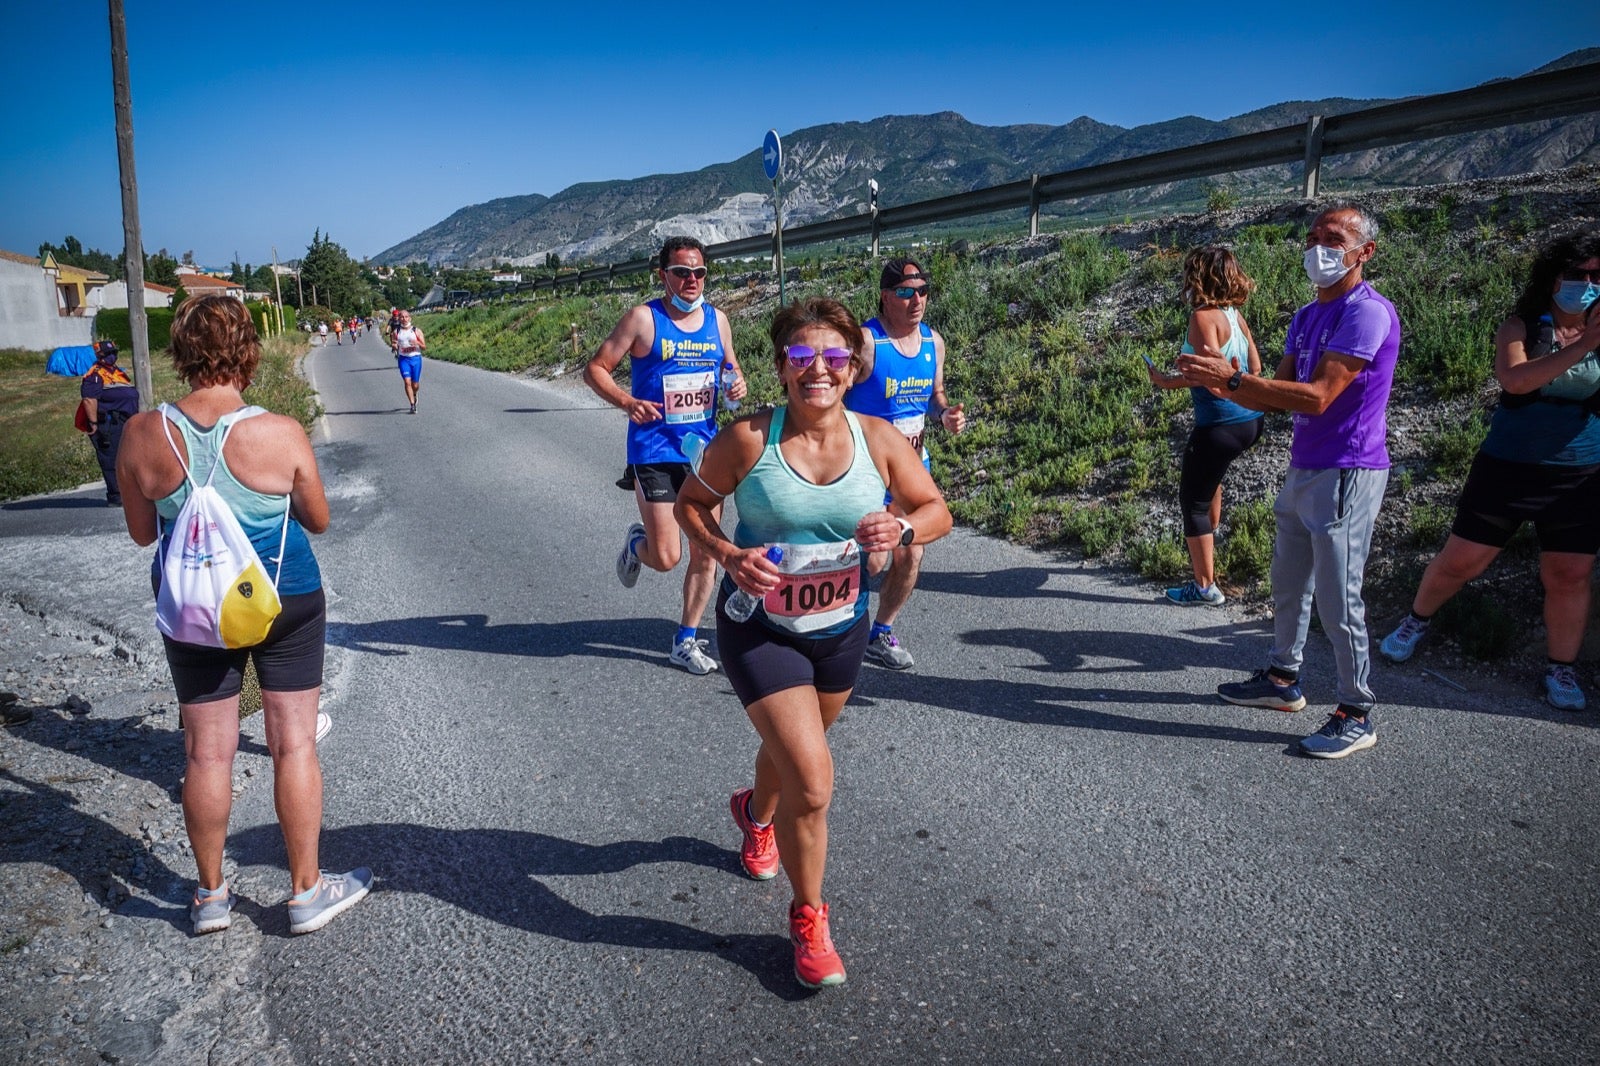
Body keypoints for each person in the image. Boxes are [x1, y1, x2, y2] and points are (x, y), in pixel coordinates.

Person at [676, 297, 951, 988]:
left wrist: (903, 532)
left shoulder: (881, 439)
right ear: (781, 368)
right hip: (758, 626)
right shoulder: (748, 439)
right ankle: (809, 919)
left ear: (854, 365)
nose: (818, 370)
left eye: (833, 357)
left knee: (792, 756)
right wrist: (727, 553)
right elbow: (690, 505)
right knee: (816, 778)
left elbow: (936, 508)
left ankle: (755, 811)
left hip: (840, 630)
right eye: (802, 358)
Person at [113, 294, 370, 936]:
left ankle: (210, 898)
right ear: (248, 351)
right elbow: (318, 519)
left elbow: (143, 534)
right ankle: (307, 891)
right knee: (292, 743)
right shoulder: (278, 431)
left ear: (181, 353)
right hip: (285, 602)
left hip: (195, 610)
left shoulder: (144, 433)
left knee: (205, 755)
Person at [1178, 203, 1400, 759]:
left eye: (1334, 238)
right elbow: (1272, 393)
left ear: (1364, 252)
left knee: (1337, 597)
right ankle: (1282, 679)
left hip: (1348, 470)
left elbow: (1321, 396)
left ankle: (1357, 710)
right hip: (1305, 467)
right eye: (1313, 236)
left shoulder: (1366, 313)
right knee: (1288, 581)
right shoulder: (1306, 316)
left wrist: (1231, 378)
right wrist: (1221, 384)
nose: (1318, 247)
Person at [1378, 232, 1600, 710]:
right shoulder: (1520, 328)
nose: (1586, 284)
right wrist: (1586, 345)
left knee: (1569, 573)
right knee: (1462, 560)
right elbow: (1517, 381)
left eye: (1596, 276)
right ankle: (1416, 619)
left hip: (1579, 474)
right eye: (1577, 274)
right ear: (1553, 277)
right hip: (1509, 468)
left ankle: (1561, 669)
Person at [583, 236, 747, 675]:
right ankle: (637, 544)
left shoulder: (719, 321)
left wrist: (735, 385)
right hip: (654, 450)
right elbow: (596, 368)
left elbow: (731, 371)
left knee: (706, 551)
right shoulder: (643, 318)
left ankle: (685, 640)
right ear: (664, 276)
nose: (691, 280)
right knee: (667, 556)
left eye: (699, 273)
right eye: (681, 272)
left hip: (704, 454)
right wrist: (626, 402)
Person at [842, 258, 965, 669]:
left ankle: (880, 630)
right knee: (875, 557)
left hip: (912, 467)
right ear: (885, 296)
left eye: (923, 291)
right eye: (906, 292)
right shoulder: (867, 342)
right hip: (865, 470)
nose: (917, 301)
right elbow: (831, 394)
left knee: (911, 551)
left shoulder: (934, 343)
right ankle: (840, 625)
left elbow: (935, 394)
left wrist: (944, 413)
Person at [1145, 247, 1264, 606]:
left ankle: (1204, 586)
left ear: (1197, 278)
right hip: (1249, 421)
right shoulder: (1234, 315)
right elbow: (1255, 370)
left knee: (1192, 502)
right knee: (1211, 481)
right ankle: (1208, 552)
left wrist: (1167, 382)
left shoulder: (1202, 317)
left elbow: (1212, 380)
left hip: (1218, 425)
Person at [79, 340, 140, 506]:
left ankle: (129, 493)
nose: (112, 356)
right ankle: (116, 496)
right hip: (108, 424)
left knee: (128, 459)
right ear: (99, 355)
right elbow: (89, 400)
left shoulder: (117, 372)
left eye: (114, 352)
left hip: (125, 422)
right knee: (111, 460)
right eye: (108, 354)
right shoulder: (94, 374)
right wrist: (93, 423)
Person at [392, 311, 425, 414]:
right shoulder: (396, 332)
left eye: (406, 317)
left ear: (410, 318)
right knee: (407, 382)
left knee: (415, 384)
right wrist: (394, 346)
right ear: (399, 318)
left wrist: (417, 343)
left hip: (415, 359)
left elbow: (424, 347)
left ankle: (415, 394)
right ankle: (412, 405)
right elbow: (394, 343)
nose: (404, 319)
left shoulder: (416, 331)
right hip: (403, 359)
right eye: (402, 317)